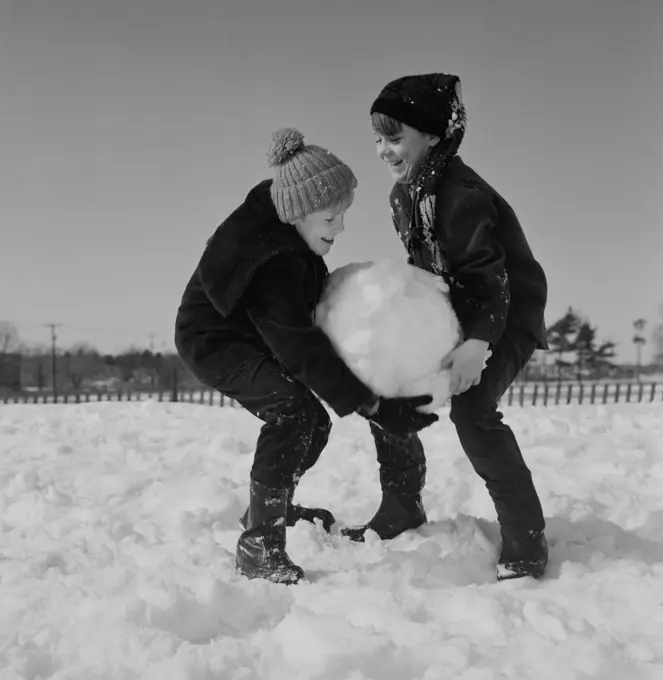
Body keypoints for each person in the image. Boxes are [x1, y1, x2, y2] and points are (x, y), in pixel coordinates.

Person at [174, 127, 438, 585]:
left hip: (251, 332)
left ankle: (274, 507)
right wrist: (371, 403)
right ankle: (260, 543)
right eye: (331, 219)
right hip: (214, 340)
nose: (340, 229)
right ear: (298, 212)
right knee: (293, 413)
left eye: (342, 217)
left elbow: (304, 322)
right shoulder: (272, 261)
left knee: (313, 421)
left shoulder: (287, 221)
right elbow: (297, 344)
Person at [349, 73, 549, 581]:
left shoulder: (462, 196)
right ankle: (402, 503)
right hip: (460, 314)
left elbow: (491, 281)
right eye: (378, 138)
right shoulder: (405, 196)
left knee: (472, 410)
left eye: (394, 137)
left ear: (433, 135)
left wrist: (478, 344)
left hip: (505, 317)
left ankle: (526, 535)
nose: (382, 150)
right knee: (387, 384)